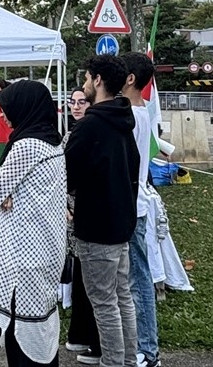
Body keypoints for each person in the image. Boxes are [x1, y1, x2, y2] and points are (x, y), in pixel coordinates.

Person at [0, 81, 67, 367]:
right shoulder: (52, 141)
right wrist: (7, 191)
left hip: (23, 257)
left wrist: (4, 191)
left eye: (6, 108)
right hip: (46, 249)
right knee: (41, 332)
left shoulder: (26, 146)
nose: (3, 113)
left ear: (24, 107)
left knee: (22, 338)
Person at [64, 55, 138, 367]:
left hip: (96, 227)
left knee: (105, 304)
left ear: (97, 81)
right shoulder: (124, 119)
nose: (83, 85)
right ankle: (128, 360)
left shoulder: (90, 125)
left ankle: (113, 363)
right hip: (121, 224)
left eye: (85, 78)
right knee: (122, 299)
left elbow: (66, 175)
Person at [119, 52, 162, 367]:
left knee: (138, 280)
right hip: (134, 208)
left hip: (132, 210)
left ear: (130, 79)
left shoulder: (133, 116)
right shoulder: (139, 111)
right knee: (133, 279)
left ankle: (148, 351)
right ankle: (142, 347)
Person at [63, 88, 102, 363]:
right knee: (78, 276)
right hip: (71, 213)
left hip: (84, 212)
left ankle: (90, 336)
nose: (76, 107)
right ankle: (78, 332)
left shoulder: (89, 132)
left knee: (90, 279)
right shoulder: (69, 133)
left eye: (81, 102)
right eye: (72, 102)